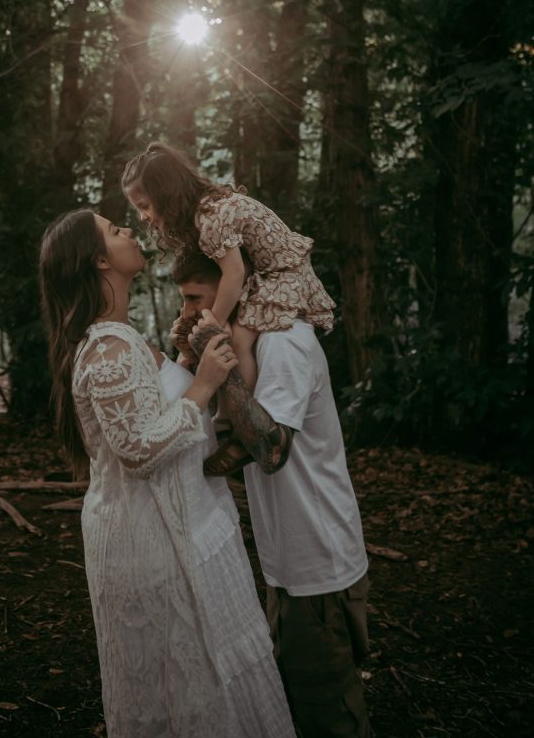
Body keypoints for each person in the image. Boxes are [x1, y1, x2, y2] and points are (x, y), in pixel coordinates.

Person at [38, 209, 296, 738]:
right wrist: (203, 384)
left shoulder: (122, 339)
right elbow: (138, 450)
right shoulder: (108, 348)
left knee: (207, 673)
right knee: (183, 682)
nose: (129, 229)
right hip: (149, 542)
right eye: (114, 230)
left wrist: (181, 357)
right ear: (100, 260)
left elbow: (151, 411)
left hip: (179, 527)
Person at [170, 246, 372, 738]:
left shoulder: (283, 343)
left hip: (317, 560)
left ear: (231, 285)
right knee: (300, 697)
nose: (189, 312)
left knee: (330, 713)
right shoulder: (254, 345)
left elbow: (271, 450)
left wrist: (217, 359)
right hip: (288, 559)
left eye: (196, 298)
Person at [121, 142, 335, 394]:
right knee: (229, 336)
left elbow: (234, 274)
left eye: (145, 206)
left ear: (166, 193)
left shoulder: (211, 218)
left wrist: (215, 323)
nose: (144, 217)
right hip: (266, 273)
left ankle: (239, 409)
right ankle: (225, 410)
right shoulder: (207, 208)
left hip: (283, 273)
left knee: (240, 342)